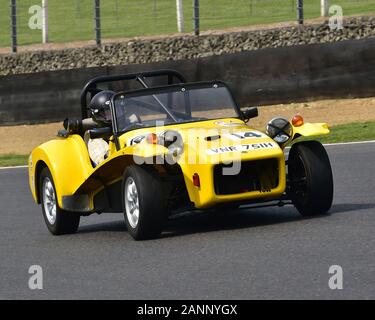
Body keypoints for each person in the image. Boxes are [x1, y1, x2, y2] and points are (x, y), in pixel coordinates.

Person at [87, 90, 115, 166]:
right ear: (98, 115)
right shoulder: (95, 140)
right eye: (108, 113)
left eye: (116, 110)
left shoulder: (127, 128)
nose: (113, 116)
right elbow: (103, 162)